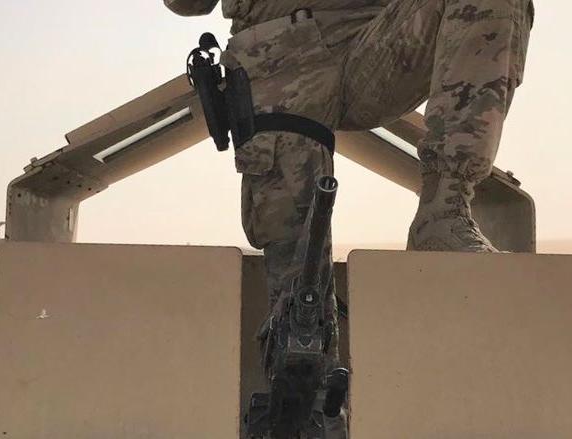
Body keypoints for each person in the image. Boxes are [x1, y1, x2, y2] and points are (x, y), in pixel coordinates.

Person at [166, 0, 533, 437]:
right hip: (278, 55)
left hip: (373, 39)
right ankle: (314, 414)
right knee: (298, 308)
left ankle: (445, 206)